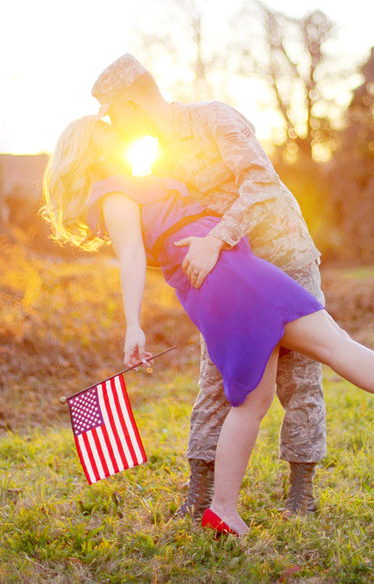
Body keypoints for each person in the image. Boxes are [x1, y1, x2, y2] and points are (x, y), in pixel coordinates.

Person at [41, 115, 374, 537]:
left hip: (227, 274)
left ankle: (223, 509)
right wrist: (133, 324)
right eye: (102, 128)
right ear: (89, 147)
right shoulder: (113, 194)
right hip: (231, 280)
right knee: (333, 346)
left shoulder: (125, 185)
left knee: (252, 402)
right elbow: (133, 259)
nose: (112, 129)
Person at [91, 54, 326, 518]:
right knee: (214, 376)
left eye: (115, 115)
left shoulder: (214, 117)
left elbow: (261, 182)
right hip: (230, 279)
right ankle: (199, 490)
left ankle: (302, 492)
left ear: (134, 104)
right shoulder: (159, 160)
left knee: (299, 381)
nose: (116, 126)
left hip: (284, 258)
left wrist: (218, 238)